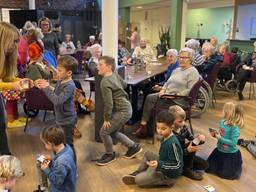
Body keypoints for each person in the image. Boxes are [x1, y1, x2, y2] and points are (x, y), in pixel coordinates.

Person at [133, 47, 200, 137]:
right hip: (167, 95)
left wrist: (175, 95)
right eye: (181, 57)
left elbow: (190, 89)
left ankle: (147, 128)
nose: (182, 59)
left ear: (190, 59)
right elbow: (167, 82)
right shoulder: (177, 70)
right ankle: (144, 126)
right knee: (149, 97)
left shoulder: (193, 72)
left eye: (185, 58)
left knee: (151, 102)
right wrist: (163, 90)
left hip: (178, 100)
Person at [95, 56, 142, 166]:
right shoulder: (114, 74)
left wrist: (106, 119)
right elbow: (125, 85)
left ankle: (109, 155)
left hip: (123, 111)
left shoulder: (105, 82)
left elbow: (108, 103)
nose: (97, 66)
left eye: (100, 64)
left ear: (109, 67)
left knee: (104, 132)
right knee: (113, 132)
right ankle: (133, 147)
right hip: (126, 108)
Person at [122, 110, 183, 188]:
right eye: (158, 127)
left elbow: (177, 165)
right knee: (148, 154)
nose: (160, 131)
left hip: (168, 176)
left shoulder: (173, 143)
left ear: (172, 127)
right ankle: (139, 172)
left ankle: (144, 176)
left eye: (163, 129)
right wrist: (159, 164)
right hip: (162, 165)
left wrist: (159, 165)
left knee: (138, 180)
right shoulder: (165, 137)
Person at [35, 55, 78, 162]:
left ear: (69, 73)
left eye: (59, 70)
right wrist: (48, 86)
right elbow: (56, 92)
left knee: (68, 145)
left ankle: (72, 167)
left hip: (67, 120)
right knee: (60, 143)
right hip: (60, 118)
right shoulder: (61, 80)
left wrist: (46, 89)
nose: (56, 72)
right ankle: (60, 162)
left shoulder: (69, 86)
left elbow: (57, 101)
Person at [0, 22, 33, 155]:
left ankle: (6, 164)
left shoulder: (6, 57)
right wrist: (13, 85)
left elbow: (6, 78)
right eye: (14, 42)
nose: (16, 46)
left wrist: (20, 81)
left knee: (1, 128)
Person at [169, 105, 208, 180]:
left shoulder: (183, 127)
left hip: (184, 152)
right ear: (171, 121)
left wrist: (200, 139)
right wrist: (188, 150)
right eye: (180, 121)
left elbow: (192, 138)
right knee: (192, 146)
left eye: (184, 120)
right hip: (175, 157)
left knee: (205, 165)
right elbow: (174, 154)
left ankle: (184, 167)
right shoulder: (170, 134)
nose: (183, 123)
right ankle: (186, 169)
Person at [206, 102, 244, 180]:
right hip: (220, 149)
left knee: (226, 174)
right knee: (210, 167)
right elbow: (222, 133)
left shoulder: (235, 128)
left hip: (229, 153)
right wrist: (216, 135)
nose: (222, 111)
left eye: (223, 110)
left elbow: (233, 143)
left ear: (228, 112)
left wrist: (220, 138)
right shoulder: (222, 122)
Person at [39, 126, 76, 192]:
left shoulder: (61, 162)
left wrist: (46, 170)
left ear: (50, 144)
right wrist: (52, 158)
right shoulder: (67, 147)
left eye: (45, 143)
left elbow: (57, 181)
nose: (44, 145)